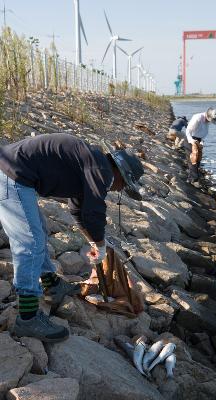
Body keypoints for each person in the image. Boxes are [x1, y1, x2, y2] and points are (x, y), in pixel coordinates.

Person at [0, 132, 144, 342]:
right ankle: (27, 318)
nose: (119, 189)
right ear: (120, 174)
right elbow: (94, 212)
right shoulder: (100, 169)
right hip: (10, 175)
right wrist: (102, 245)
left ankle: (52, 285)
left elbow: (78, 211)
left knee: (38, 230)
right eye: (123, 186)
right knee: (30, 242)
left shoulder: (91, 164)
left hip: (16, 174)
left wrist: (93, 242)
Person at [185, 107, 216, 186]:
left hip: (199, 140)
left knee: (198, 160)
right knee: (193, 159)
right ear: (208, 115)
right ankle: (194, 180)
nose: (210, 122)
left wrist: (201, 141)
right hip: (190, 138)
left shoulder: (207, 121)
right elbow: (188, 131)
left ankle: (190, 179)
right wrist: (191, 141)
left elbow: (203, 133)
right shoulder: (197, 117)